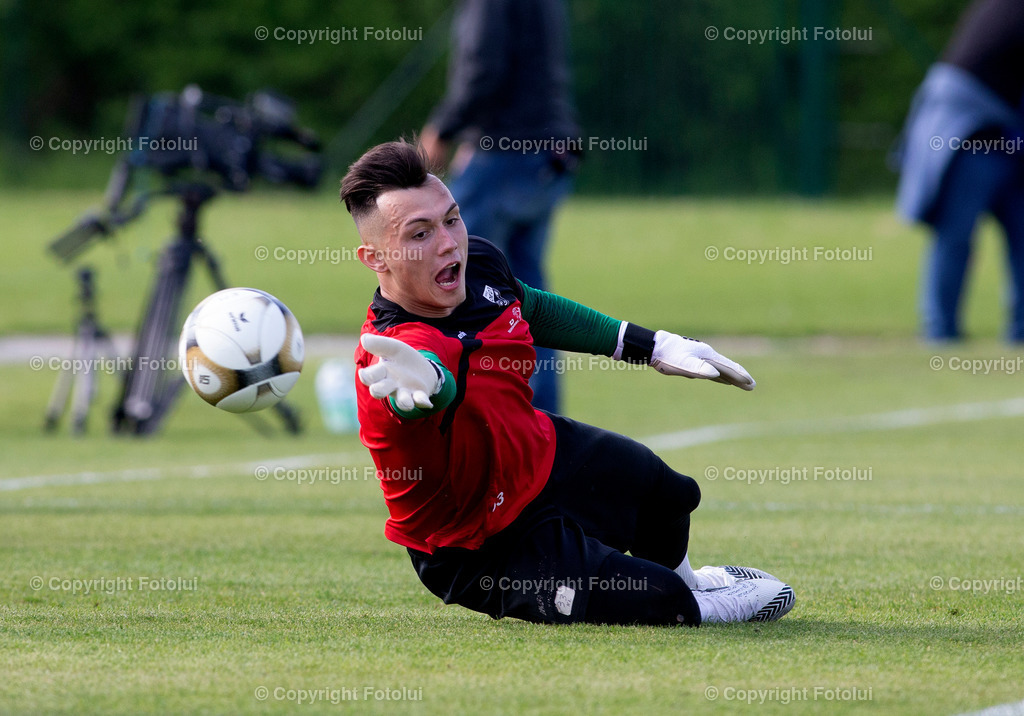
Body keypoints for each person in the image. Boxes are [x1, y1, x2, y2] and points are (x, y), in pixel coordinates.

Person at [340, 141, 795, 627]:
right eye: (420, 233)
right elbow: (430, 381)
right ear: (375, 258)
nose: (449, 243)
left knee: (666, 493)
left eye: (452, 219)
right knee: (658, 601)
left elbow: (531, 307)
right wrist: (428, 388)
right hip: (477, 544)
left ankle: (691, 582)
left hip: (537, 457)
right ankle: (692, 604)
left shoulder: (481, 266)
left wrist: (653, 346)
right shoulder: (391, 358)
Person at [419, 0, 580, 413]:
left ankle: (456, 406)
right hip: (548, 150)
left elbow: (483, 67)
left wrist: (445, 126)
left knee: (452, 275)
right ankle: (542, 421)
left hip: (506, 149)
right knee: (526, 294)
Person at [895, 0, 1024, 342]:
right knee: (956, 234)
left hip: (1007, 136)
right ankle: (941, 331)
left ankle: (1018, 330)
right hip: (970, 136)